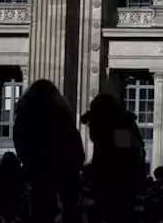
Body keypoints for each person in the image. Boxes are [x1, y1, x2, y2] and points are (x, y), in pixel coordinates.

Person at [12, 79, 84, 223]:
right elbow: (75, 147)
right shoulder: (61, 114)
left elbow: (20, 143)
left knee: (41, 210)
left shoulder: (25, 115)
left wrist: (28, 163)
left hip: (39, 173)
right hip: (62, 172)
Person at [80, 92, 147, 223]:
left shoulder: (120, 129)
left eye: (93, 122)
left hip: (118, 188)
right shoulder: (115, 131)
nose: (91, 128)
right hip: (112, 186)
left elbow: (123, 161)